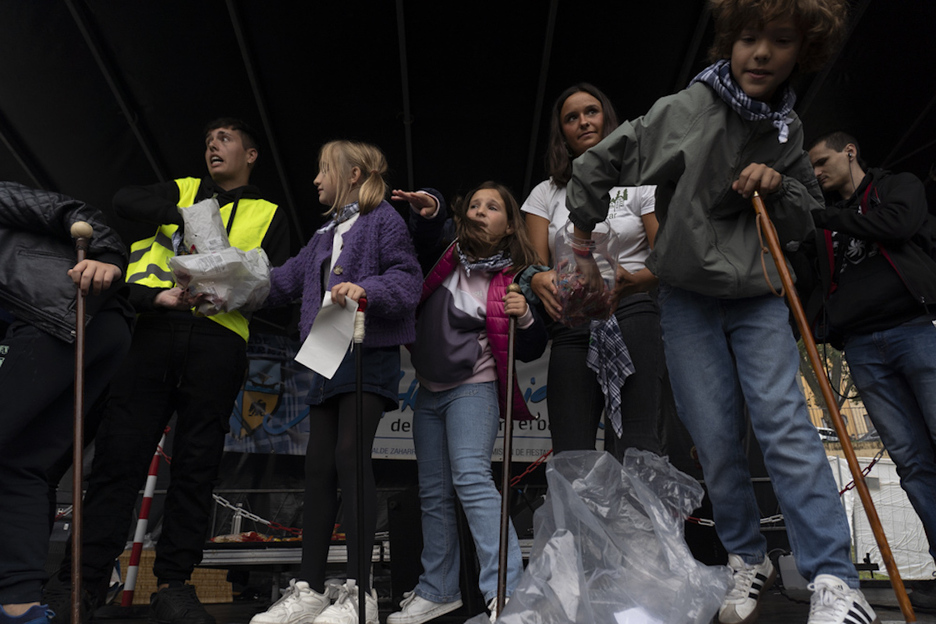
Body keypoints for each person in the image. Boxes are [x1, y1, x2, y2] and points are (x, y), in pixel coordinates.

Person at [565, 1, 881, 623]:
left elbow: (804, 217)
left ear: (802, 51)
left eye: (781, 41)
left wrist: (777, 184)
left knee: (784, 425)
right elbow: (602, 159)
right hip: (685, 296)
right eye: (749, 39)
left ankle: (834, 580)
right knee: (711, 439)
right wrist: (580, 237)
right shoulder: (684, 109)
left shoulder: (788, 130)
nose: (761, 52)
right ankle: (746, 556)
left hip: (759, 293)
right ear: (729, 43)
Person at [47, 118, 290, 624]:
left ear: (251, 154)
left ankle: (175, 584)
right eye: (207, 141)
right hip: (153, 330)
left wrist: (227, 287)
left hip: (220, 340)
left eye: (224, 139)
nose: (212, 147)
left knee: (197, 465)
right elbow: (123, 200)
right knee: (118, 459)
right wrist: (182, 213)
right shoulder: (182, 190)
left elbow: (278, 283)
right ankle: (84, 581)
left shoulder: (270, 212)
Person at [247, 140, 421, 624]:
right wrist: (225, 290)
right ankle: (309, 588)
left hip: (367, 350)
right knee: (318, 465)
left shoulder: (383, 218)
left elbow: (408, 280)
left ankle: (361, 591)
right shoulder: (325, 232)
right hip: (325, 352)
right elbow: (283, 280)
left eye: (324, 171)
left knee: (349, 454)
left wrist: (368, 288)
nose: (316, 181)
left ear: (352, 174)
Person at [386, 182, 547, 624]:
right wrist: (432, 206)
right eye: (473, 204)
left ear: (510, 223)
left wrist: (527, 314)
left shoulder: (517, 275)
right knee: (434, 493)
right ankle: (438, 590)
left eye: (492, 207)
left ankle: (507, 591)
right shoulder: (444, 254)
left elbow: (532, 347)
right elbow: (422, 235)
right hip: (429, 389)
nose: (479, 211)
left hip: (474, 387)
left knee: (472, 480)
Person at [807, 131, 936, 613]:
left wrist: (821, 216)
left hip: (917, 328)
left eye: (822, 162)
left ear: (850, 151)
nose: (817, 173)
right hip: (862, 344)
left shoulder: (897, 186)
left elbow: (899, 225)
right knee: (912, 461)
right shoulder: (822, 224)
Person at [0, 182, 132, 624]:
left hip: (64, 311)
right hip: (83, 327)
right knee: (20, 462)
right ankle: (19, 605)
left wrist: (108, 260)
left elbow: (73, 211)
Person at [521, 82, 665, 459]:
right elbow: (534, 263)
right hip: (572, 322)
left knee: (638, 442)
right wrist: (537, 278)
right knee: (571, 449)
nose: (583, 122)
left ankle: (639, 520)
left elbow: (667, 257)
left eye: (591, 111)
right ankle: (578, 521)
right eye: (572, 118)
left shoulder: (641, 183)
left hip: (632, 309)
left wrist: (634, 283)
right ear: (562, 135)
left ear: (608, 120)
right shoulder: (545, 192)